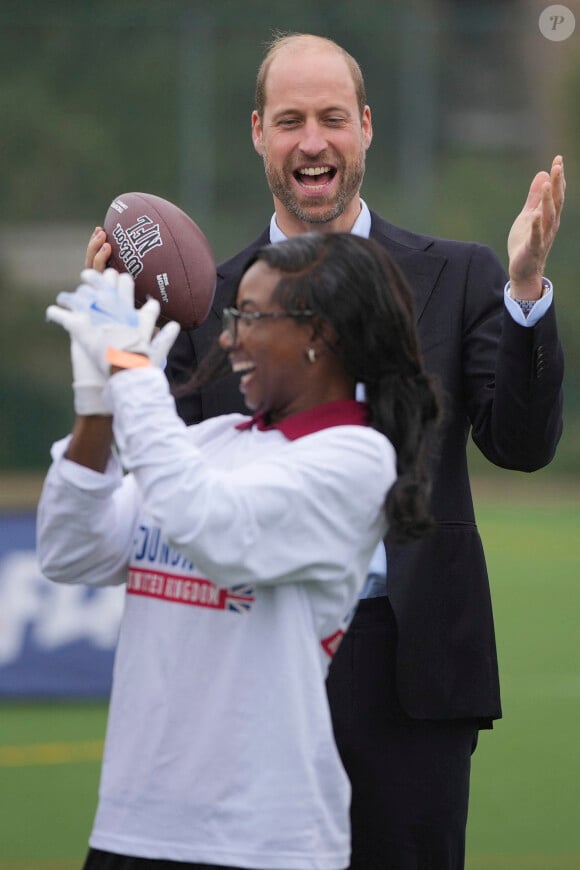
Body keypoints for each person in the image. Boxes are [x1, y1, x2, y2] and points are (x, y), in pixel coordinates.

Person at [86, 34, 566, 870]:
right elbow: (157, 477)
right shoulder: (206, 300)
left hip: (409, 666)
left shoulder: (460, 275)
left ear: (367, 128)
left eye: (333, 118)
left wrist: (524, 293)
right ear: (258, 133)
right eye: (291, 120)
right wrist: (121, 333)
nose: (314, 140)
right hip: (252, 658)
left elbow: (521, 447)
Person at [37, 232, 441, 870]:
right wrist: (97, 404)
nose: (228, 340)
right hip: (131, 825)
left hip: (261, 840)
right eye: (233, 317)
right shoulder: (208, 441)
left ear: (322, 335)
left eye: (250, 317)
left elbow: (214, 525)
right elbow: (70, 550)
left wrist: (134, 375)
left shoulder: (356, 460)